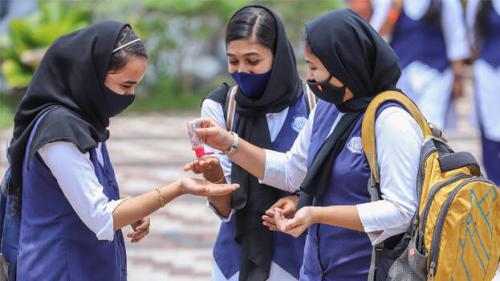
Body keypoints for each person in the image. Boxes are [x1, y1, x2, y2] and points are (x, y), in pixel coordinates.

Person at [188, 9, 424, 280]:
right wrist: (228, 143)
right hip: (316, 271)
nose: (309, 78)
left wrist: (317, 214)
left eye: (314, 68)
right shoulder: (329, 110)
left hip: (365, 271)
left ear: (343, 65)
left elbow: (401, 211)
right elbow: (291, 171)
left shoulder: (390, 120)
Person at [0, 21, 238, 281]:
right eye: (125, 86)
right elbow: (102, 218)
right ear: (91, 75)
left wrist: (131, 206)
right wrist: (178, 188)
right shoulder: (60, 132)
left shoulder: (84, 119)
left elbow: (81, 188)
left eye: (135, 86)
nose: (130, 96)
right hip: (60, 270)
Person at [186, 5, 313, 281]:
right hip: (234, 260)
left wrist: (299, 199)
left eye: (253, 61)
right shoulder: (221, 107)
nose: (242, 71)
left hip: (298, 260)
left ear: (277, 56)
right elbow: (224, 206)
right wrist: (214, 176)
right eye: (233, 61)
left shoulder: (313, 105)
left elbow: (324, 181)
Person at [370, 0, 470, 130]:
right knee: (403, 123)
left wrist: (458, 78)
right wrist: (394, 11)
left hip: (436, 74)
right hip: (401, 76)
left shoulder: (446, 3)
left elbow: (456, 38)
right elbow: (378, 37)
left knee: (432, 124)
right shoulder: (390, 3)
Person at [466, 0, 500, 186]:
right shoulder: (478, 2)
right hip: (489, 70)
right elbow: (473, 38)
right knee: (490, 127)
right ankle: (495, 184)